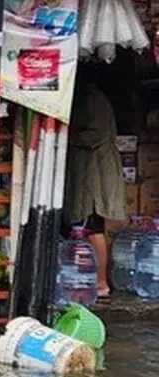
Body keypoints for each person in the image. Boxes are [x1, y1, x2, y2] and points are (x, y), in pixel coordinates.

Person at [65, 71, 127, 298]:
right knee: (87, 228)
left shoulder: (93, 99)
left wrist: (65, 134)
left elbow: (95, 135)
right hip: (88, 173)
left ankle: (101, 283)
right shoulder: (89, 98)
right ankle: (91, 281)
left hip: (95, 175)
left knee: (93, 228)